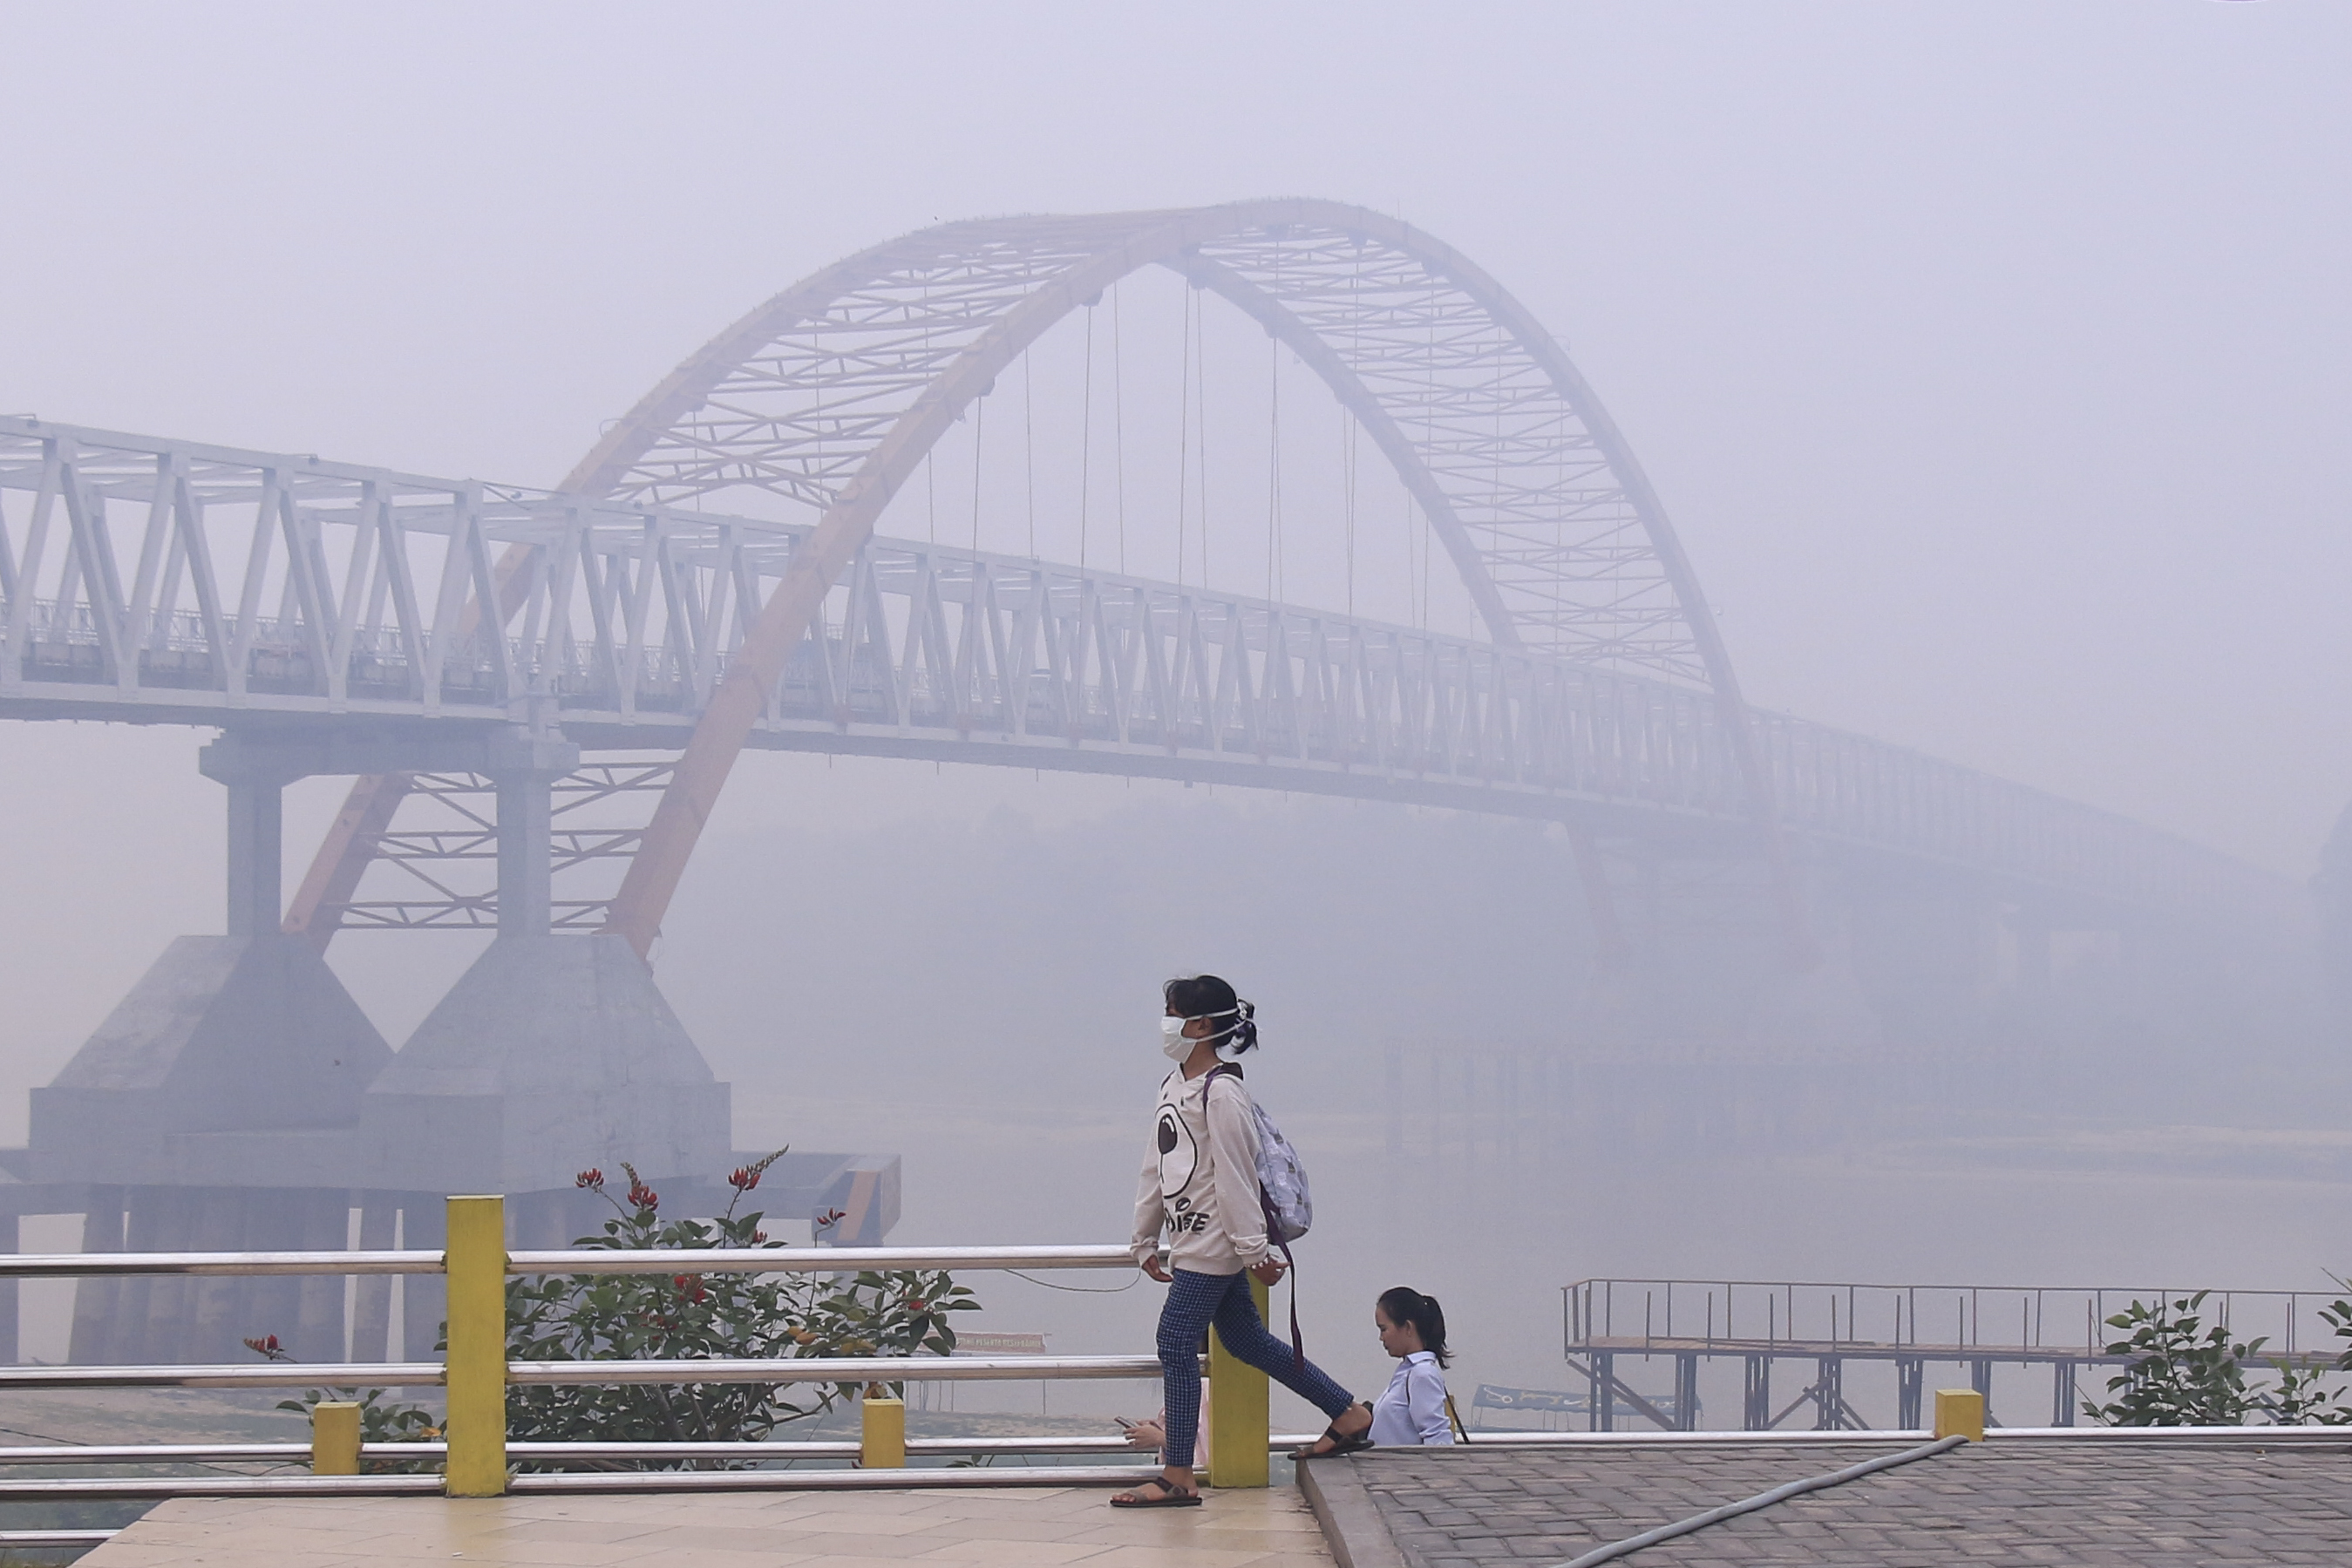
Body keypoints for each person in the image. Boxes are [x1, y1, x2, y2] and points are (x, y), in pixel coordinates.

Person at [1111, 975, 1373, 1508]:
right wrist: (1144, 1237)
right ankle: (1347, 1413)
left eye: (1172, 1011)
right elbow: (1156, 1166)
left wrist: (1253, 1250)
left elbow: (1235, 1177)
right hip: (1191, 1241)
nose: (1166, 1022)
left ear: (1202, 1025)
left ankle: (1178, 1474)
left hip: (1214, 1245)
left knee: (1175, 1341)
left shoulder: (1223, 1093)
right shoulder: (1174, 1085)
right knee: (1245, 1341)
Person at [1368, 1286, 1457, 1447]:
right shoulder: (1407, 1372)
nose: (1381, 1338)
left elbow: (1437, 1436)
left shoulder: (1422, 1374)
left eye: (1384, 1329)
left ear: (1408, 1327)